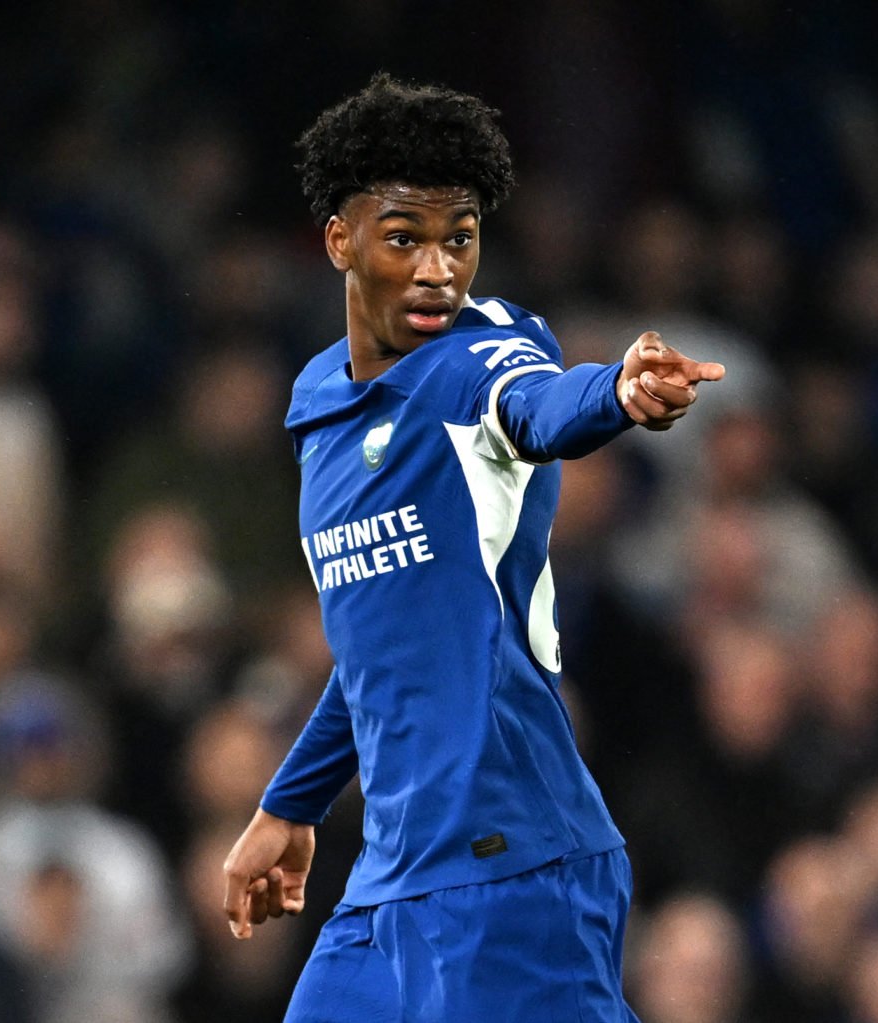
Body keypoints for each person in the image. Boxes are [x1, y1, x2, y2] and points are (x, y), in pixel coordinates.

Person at [220, 73, 725, 1022]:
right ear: (340, 240)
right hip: (392, 876)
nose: (439, 270)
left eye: (461, 238)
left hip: (515, 870)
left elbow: (540, 404)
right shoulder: (320, 405)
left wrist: (615, 391)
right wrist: (288, 805)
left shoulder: (482, 354)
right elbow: (384, 647)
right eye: (404, 236)